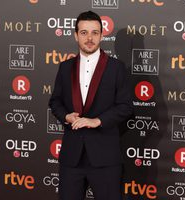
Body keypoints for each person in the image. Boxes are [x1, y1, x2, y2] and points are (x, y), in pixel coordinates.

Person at [49, 10, 133, 200]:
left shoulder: (116, 68)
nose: (89, 38)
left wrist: (97, 121)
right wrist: (66, 116)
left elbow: (126, 106)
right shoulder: (65, 67)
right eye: (84, 32)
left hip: (105, 158)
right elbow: (55, 101)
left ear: (102, 35)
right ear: (76, 35)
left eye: (95, 32)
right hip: (72, 158)